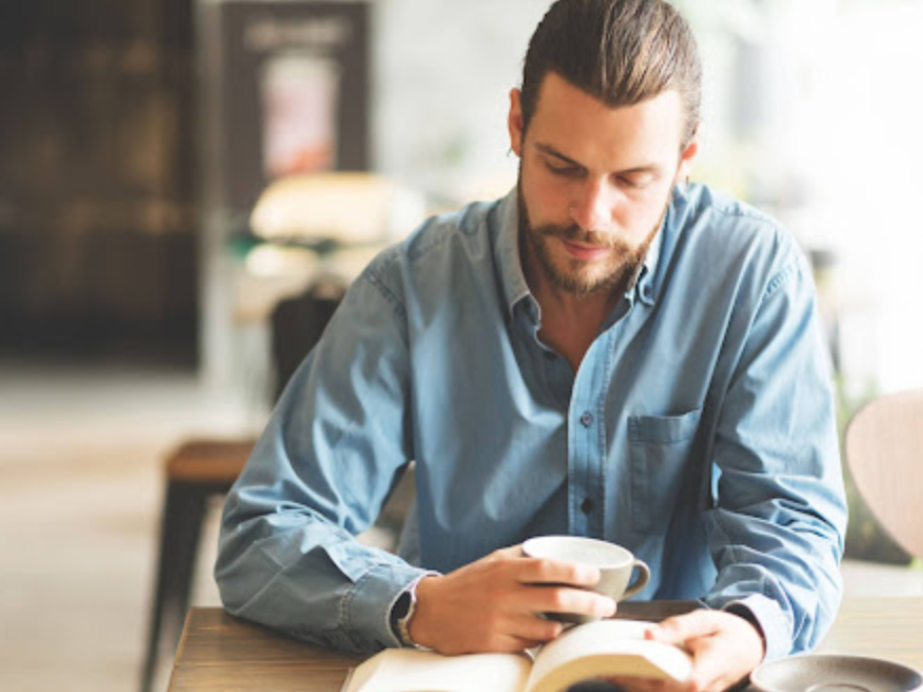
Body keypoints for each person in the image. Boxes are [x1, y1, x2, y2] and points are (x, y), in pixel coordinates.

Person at [215, 1, 847, 690]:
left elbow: (790, 519)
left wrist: (749, 626)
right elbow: (261, 533)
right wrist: (419, 606)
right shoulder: (413, 287)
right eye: (562, 166)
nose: (590, 215)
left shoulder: (750, 277)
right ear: (517, 124)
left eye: (632, 179)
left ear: (684, 158)